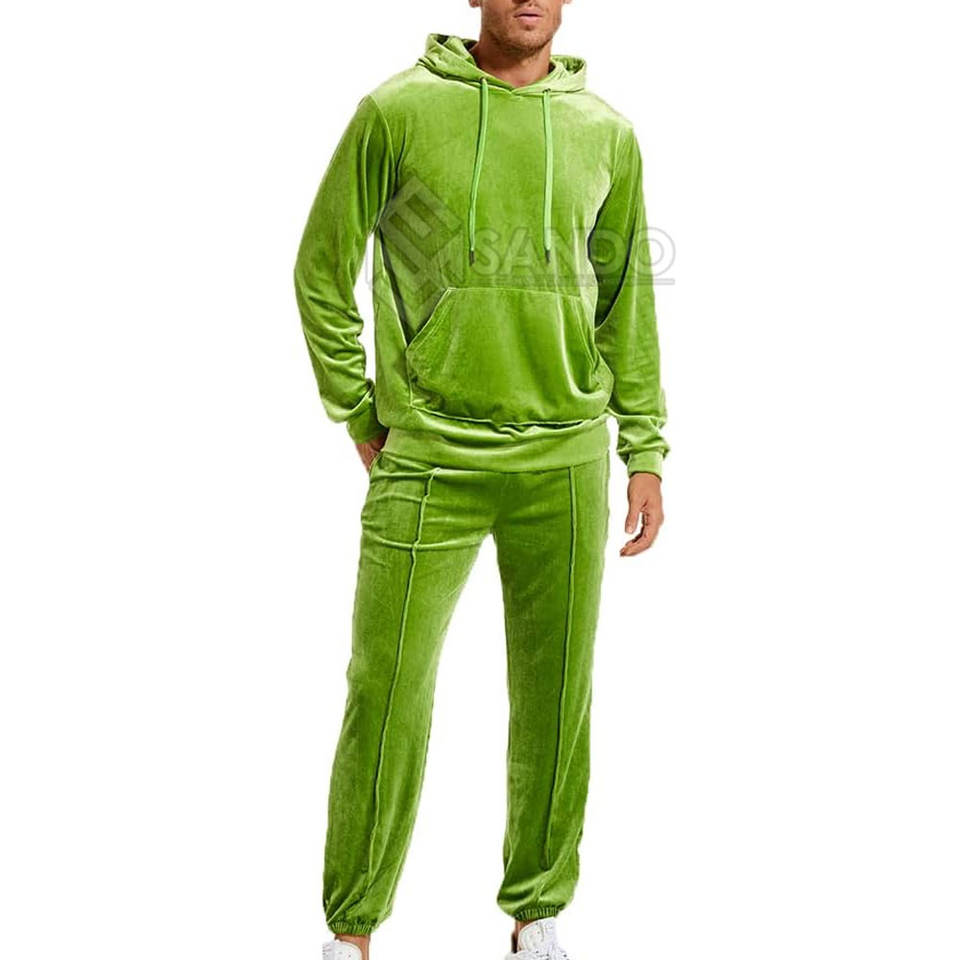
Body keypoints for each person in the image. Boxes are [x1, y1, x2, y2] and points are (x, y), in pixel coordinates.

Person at [293, 2, 668, 957]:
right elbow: (322, 269)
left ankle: (537, 914)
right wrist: (359, 412)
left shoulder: (607, 134)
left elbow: (627, 302)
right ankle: (351, 930)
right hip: (429, 457)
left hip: (566, 459)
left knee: (557, 698)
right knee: (387, 691)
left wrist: (645, 449)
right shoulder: (396, 112)